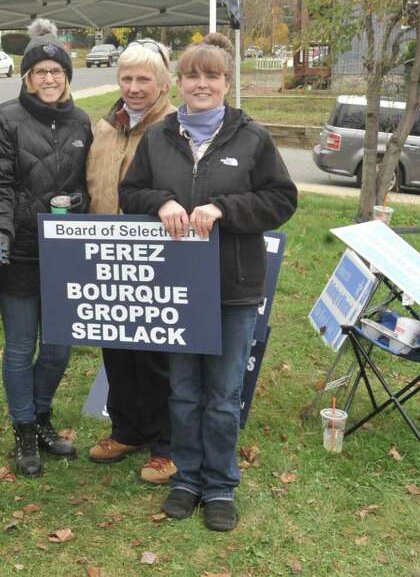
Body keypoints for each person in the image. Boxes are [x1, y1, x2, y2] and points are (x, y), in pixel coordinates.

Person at [119, 31, 296, 532]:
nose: (202, 84)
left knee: (221, 394)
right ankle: (186, 479)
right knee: (182, 390)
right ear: (179, 82)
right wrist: (162, 203)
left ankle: (219, 485)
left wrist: (225, 208)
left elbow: (281, 200)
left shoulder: (252, 138)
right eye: (192, 75)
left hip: (232, 288)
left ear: (226, 82)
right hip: (175, 286)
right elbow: (129, 191)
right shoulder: (159, 136)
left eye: (212, 76)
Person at [0, 19, 91, 477]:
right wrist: (3, 237)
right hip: (20, 252)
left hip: (65, 252)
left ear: (67, 76)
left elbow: (88, 181)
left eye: (57, 71)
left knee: (59, 347)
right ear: (26, 77)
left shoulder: (83, 121)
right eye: (40, 71)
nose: (49, 78)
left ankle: (42, 412)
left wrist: (81, 203)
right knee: (20, 346)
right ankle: (23, 428)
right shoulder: (4, 119)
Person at [84, 41, 178, 485]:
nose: (135, 88)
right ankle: (126, 429)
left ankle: (166, 444)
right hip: (105, 253)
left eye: (144, 80)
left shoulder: (176, 129)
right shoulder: (105, 127)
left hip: (157, 256)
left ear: (163, 84)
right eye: (127, 79)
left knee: (156, 353)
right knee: (116, 348)